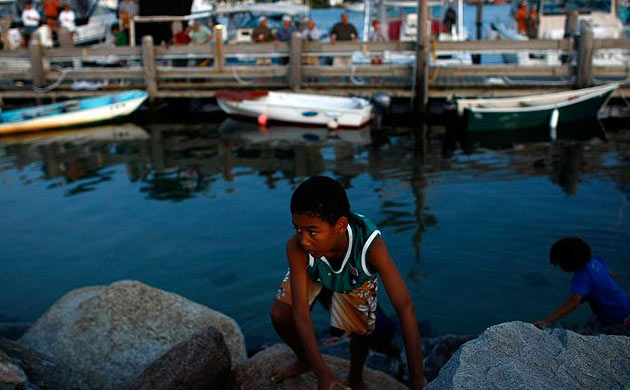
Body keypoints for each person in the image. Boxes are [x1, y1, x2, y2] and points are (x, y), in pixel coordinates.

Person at [270, 176, 426, 390]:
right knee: (280, 314)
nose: (304, 240)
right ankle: (304, 359)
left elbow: (405, 307)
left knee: (362, 330)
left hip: (353, 275)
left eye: (312, 231)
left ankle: (356, 377)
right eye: (298, 229)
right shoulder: (298, 247)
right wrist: (322, 372)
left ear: (341, 225)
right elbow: (301, 312)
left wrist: (418, 380)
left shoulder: (369, 244)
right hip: (313, 269)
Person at [534, 237, 630, 328]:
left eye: (559, 263)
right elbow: (614, 278)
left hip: (616, 318)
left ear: (566, 263)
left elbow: (574, 303)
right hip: (625, 306)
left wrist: (547, 320)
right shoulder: (596, 261)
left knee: (587, 330)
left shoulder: (581, 278)